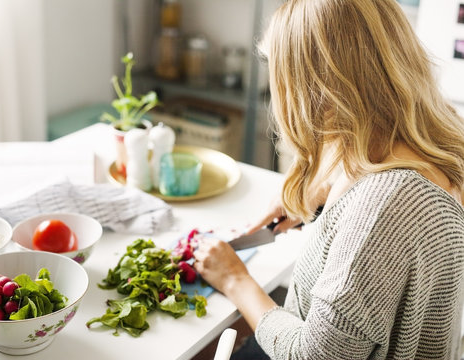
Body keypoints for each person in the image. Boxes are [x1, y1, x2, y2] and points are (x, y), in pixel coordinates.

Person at [193, 0, 464, 358]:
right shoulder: (438, 139)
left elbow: (312, 355)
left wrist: (234, 279)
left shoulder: (386, 204)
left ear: (319, 92)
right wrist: (327, 193)